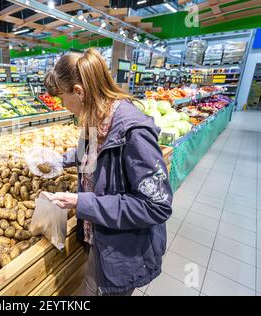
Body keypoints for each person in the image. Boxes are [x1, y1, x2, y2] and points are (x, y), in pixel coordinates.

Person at [43, 48, 173, 296]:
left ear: (79, 92)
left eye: (62, 98)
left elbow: (157, 205)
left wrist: (83, 202)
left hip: (123, 248)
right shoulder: (95, 117)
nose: (63, 106)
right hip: (102, 237)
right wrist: (57, 160)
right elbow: (87, 153)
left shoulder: (134, 132)